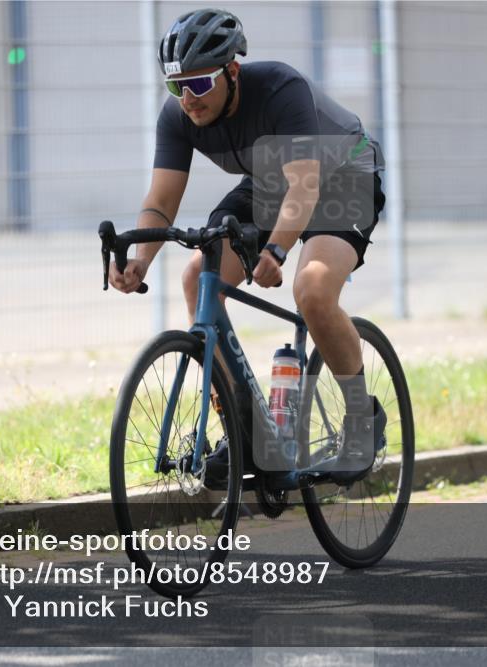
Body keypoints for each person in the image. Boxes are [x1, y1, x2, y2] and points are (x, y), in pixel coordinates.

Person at [109, 8, 385, 485]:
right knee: (197, 278)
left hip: (344, 175)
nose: (188, 99)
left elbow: (305, 186)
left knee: (313, 289)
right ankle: (246, 438)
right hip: (271, 182)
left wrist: (276, 250)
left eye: (199, 84)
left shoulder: (281, 89)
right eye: (177, 86)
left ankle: (363, 420)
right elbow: (161, 200)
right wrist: (140, 260)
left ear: (232, 71)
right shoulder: (178, 116)